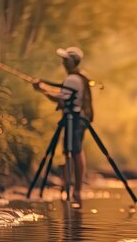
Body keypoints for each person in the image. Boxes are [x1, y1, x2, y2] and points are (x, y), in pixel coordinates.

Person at [32, 47, 94, 203]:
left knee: (74, 152)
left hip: (74, 119)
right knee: (72, 151)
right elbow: (64, 95)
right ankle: (70, 188)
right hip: (78, 119)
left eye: (65, 60)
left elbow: (61, 99)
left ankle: (76, 190)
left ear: (71, 62)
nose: (63, 62)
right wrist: (45, 89)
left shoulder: (72, 79)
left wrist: (42, 90)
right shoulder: (79, 77)